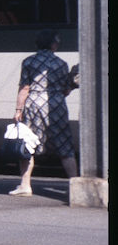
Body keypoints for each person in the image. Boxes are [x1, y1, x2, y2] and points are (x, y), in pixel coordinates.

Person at [11, 29, 79, 196]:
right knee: (65, 146)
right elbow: (65, 90)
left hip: (34, 104)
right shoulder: (61, 64)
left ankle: (25, 185)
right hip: (56, 105)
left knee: (28, 144)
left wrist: (18, 109)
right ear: (53, 45)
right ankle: (75, 186)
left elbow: (24, 88)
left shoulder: (29, 62)